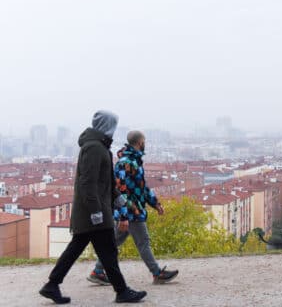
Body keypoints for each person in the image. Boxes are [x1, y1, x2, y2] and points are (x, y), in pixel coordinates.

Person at [39, 111, 147, 304]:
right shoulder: (95, 148)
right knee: (108, 251)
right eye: (113, 125)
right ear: (107, 126)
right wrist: (96, 212)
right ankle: (122, 291)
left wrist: (119, 200)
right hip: (95, 212)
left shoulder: (100, 147)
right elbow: (87, 183)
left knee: (81, 249)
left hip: (94, 210)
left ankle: (51, 285)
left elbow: (105, 182)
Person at [87, 130, 178, 286]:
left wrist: (155, 204)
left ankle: (98, 271)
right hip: (131, 211)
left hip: (132, 210)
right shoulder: (126, 162)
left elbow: (142, 187)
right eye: (144, 141)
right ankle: (157, 273)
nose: (145, 144)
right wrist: (125, 214)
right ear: (140, 142)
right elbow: (119, 190)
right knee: (143, 242)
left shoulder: (133, 161)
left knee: (113, 243)